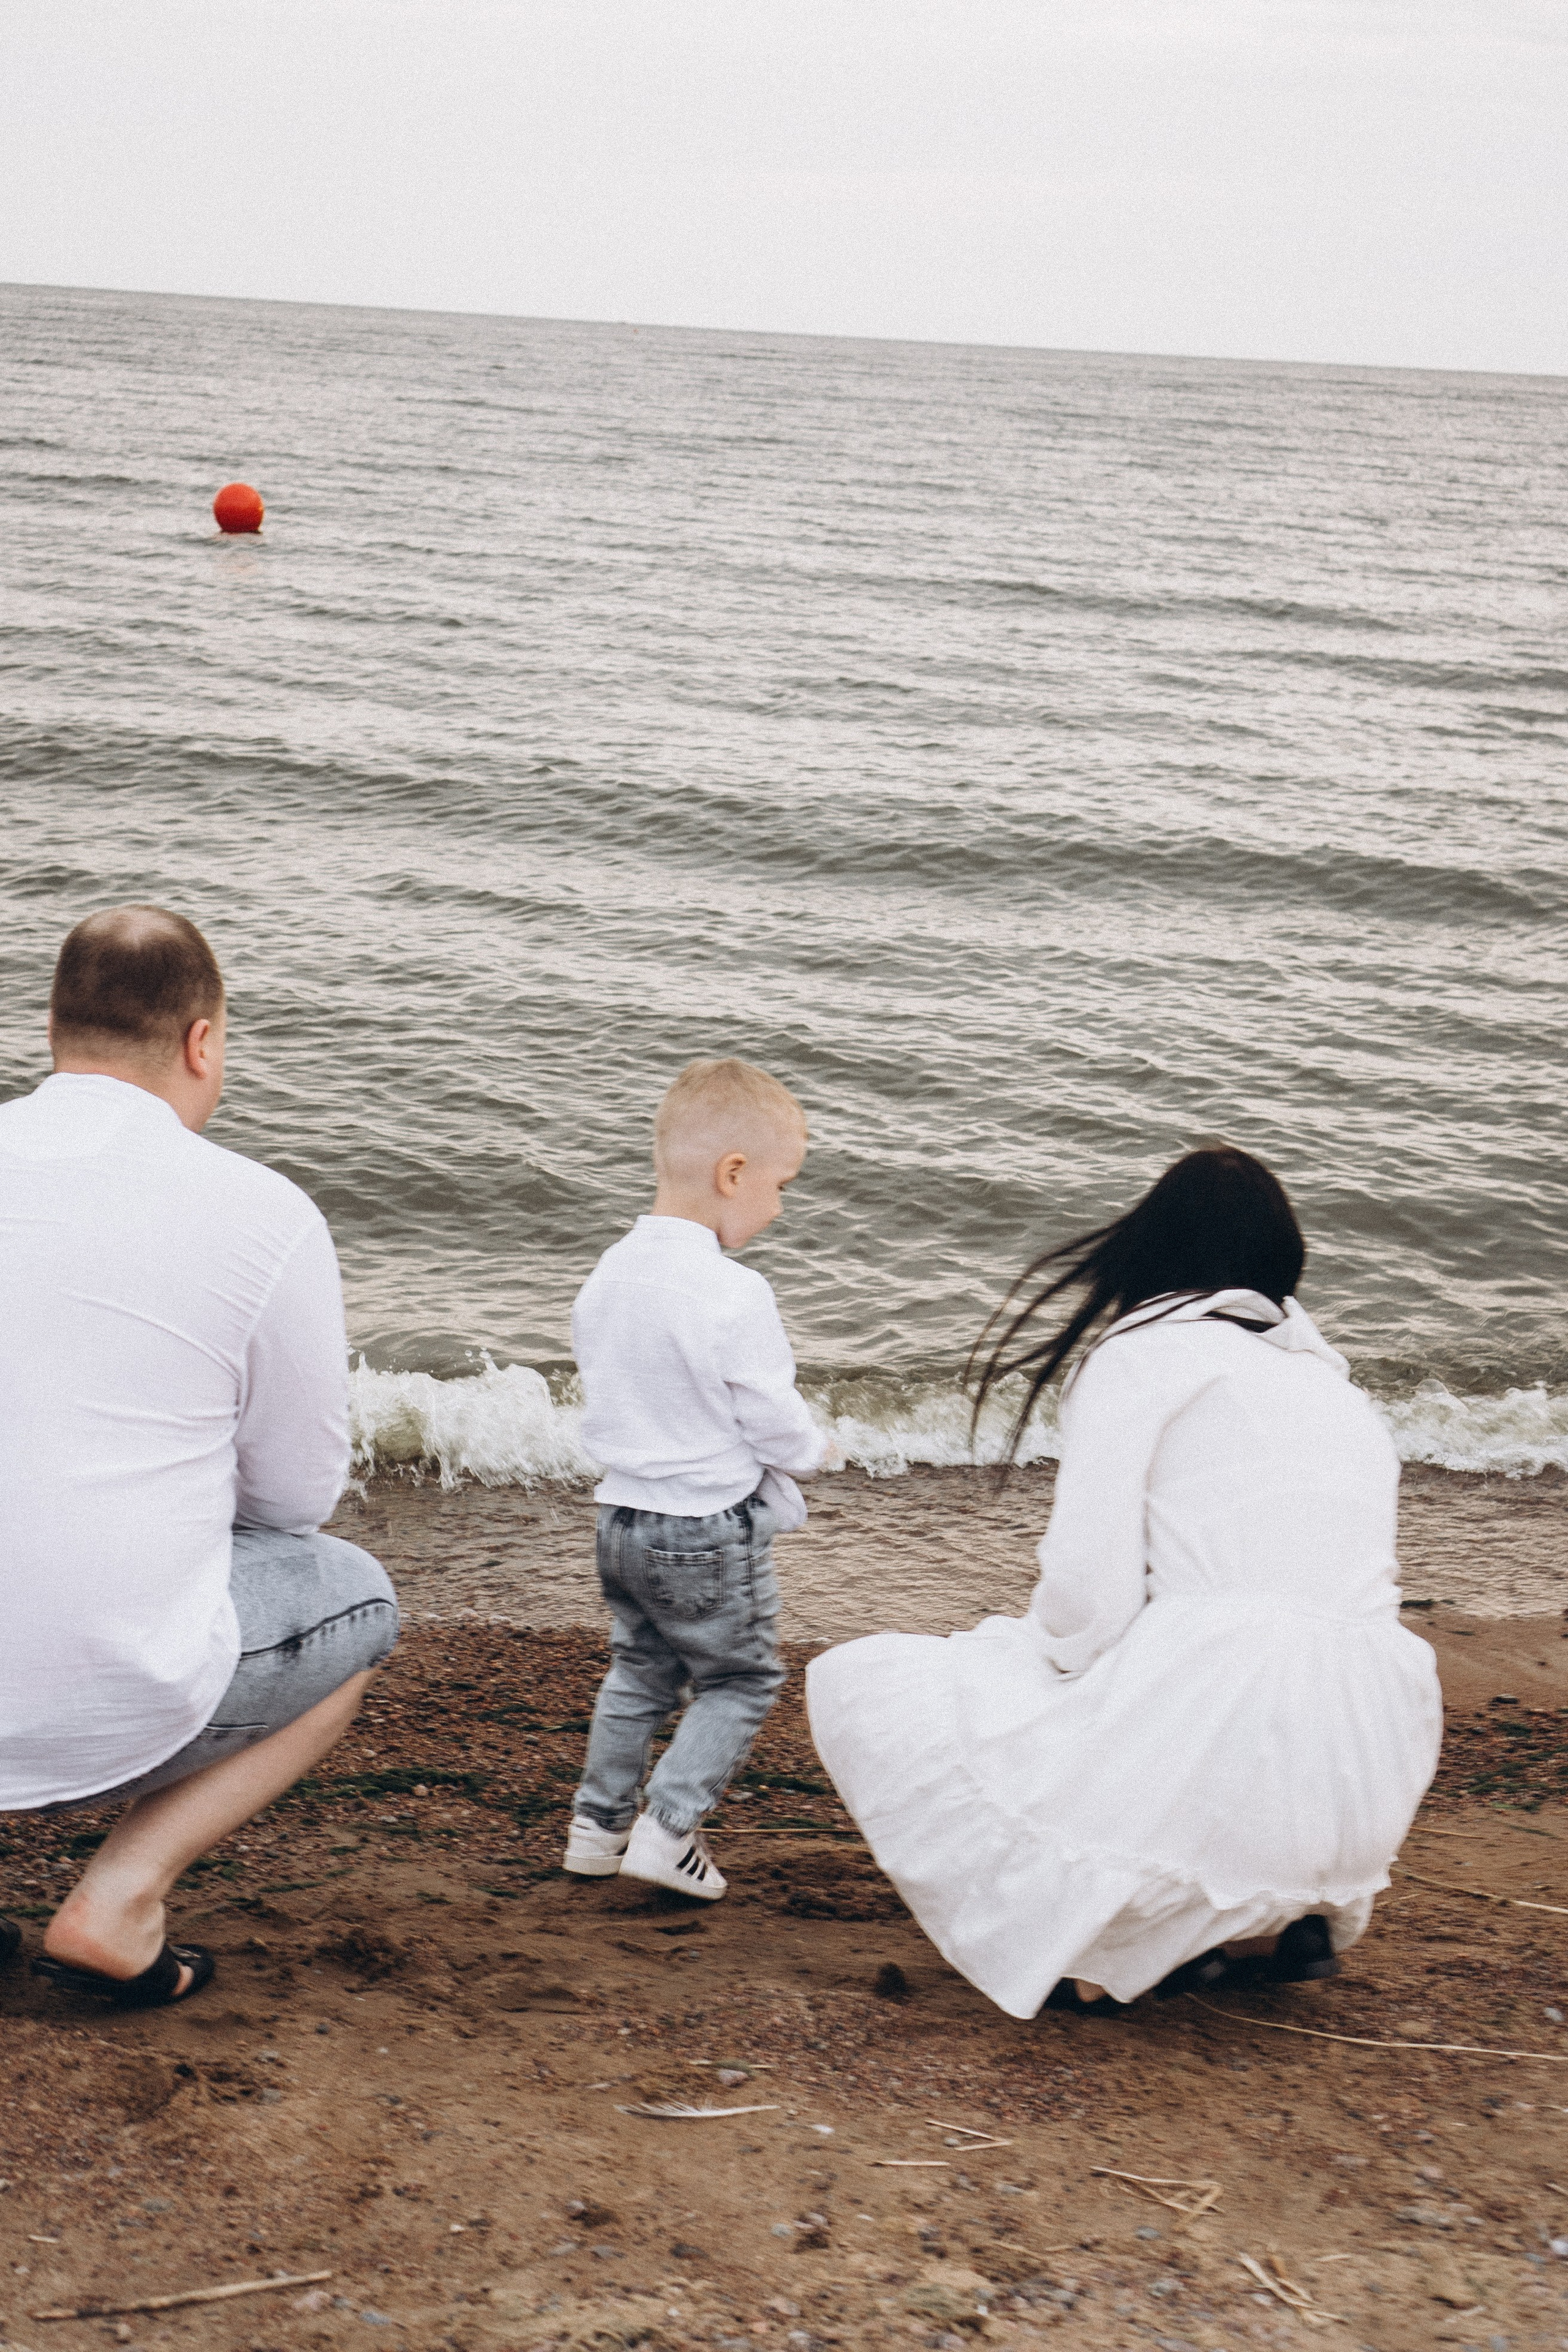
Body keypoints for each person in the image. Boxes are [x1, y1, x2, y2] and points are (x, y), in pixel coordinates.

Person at [805, 1146, 1442, 2019]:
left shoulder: (1144, 1356)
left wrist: (1059, 1674)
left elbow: (1088, 1595)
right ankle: (1274, 1921)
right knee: (1185, 1689)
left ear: (1154, 1249)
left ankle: (1127, 1951)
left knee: (868, 1680)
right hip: (1371, 1762)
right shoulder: (1339, 1393)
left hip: (1226, 1710)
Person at [0, 907, 396, 2009]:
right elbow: (295, 1498)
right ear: (203, 1042)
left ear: (53, 1030)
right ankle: (119, 1900)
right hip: (104, 1704)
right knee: (354, 1600)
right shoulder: (261, 1213)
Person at [564, 1057, 832, 1901]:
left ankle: (595, 1828)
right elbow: (769, 1416)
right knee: (741, 1679)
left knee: (639, 1672)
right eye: (782, 1184)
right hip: (703, 1528)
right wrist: (815, 1451)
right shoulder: (732, 1291)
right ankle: (669, 1827)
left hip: (621, 1521)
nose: (781, 1205)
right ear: (733, 1174)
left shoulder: (608, 1275)